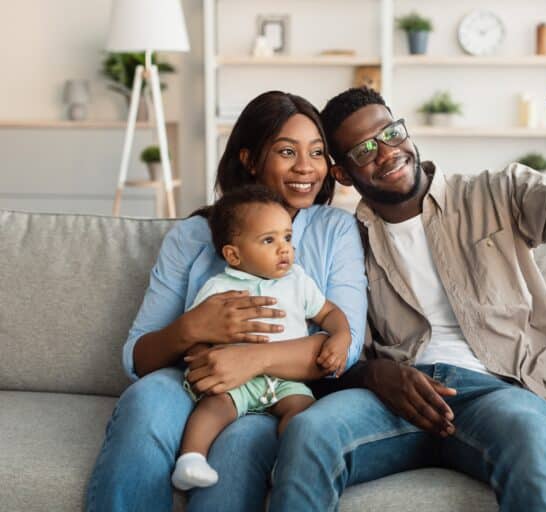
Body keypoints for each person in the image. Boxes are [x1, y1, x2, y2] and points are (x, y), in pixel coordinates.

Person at [269, 70, 546, 511]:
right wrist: (374, 375)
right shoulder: (347, 238)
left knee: (527, 428)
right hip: (395, 401)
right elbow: (339, 345)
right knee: (308, 433)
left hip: (499, 395)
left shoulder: (495, 193)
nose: (388, 153)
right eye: (365, 149)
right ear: (343, 173)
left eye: (391, 133)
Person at [86, 91, 367, 512]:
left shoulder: (335, 231)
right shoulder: (193, 236)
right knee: (144, 401)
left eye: (317, 152)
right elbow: (139, 357)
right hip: (194, 378)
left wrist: (251, 361)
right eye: (287, 151)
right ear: (250, 160)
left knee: (241, 442)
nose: (306, 167)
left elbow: (343, 348)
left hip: (279, 390)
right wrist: (192, 329)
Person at [171, 184, 352, 491]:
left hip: (285, 379)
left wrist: (341, 335)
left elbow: (329, 312)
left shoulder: (298, 280)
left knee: (303, 413)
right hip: (235, 380)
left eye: (287, 237)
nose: (284, 248)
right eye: (269, 240)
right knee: (212, 408)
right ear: (234, 254)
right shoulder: (218, 287)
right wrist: (202, 355)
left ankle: (286, 464)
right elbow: (199, 330)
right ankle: (191, 460)